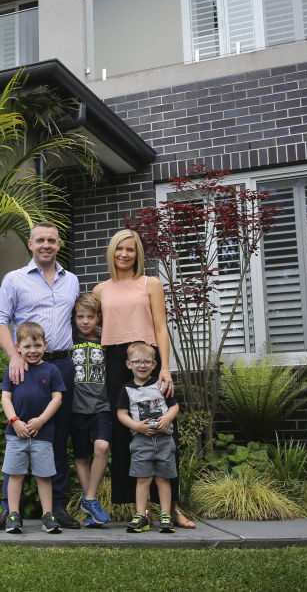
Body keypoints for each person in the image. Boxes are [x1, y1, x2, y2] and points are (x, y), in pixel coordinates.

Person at [93, 228, 195, 529]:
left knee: (163, 432)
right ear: (110, 253)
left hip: (148, 359)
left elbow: (161, 327)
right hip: (115, 362)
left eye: (131, 249)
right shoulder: (100, 290)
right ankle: (143, 509)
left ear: (138, 254)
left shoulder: (150, 283)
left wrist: (165, 367)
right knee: (127, 433)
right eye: (119, 249)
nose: (124, 254)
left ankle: (172, 507)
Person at [0, 221, 81, 530]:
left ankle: (55, 507)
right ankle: (8, 509)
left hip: (62, 366)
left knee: (58, 434)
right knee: (16, 434)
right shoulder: (14, 279)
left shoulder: (72, 281)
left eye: (51, 240)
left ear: (58, 244)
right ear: (30, 244)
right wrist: (14, 355)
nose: (46, 245)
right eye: (40, 240)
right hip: (25, 366)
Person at [0, 321, 66, 534]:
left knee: (44, 476)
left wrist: (41, 420)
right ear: (17, 347)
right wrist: (14, 421)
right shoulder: (13, 370)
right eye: (27, 347)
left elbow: (57, 399)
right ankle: (13, 515)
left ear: (45, 345)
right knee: (15, 474)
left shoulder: (52, 370)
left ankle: (48, 516)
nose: (33, 351)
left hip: (42, 434)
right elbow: (5, 398)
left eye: (37, 346)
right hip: (15, 434)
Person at [117, 341, 179, 533]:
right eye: (137, 362)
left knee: (163, 479)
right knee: (142, 479)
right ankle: (141, 515)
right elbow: (121, 414)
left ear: (154, 364)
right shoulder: (126, 389)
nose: (142, 365)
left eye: (147, 362)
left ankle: (166, 516)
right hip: (141, 441)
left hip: (164, 440)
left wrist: (167, 419)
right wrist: (137, 427)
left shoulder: (161, 385)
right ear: (129, 364)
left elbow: (175, 406)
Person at [69, 293, 111, 527]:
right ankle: (92, 508)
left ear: (98, 318)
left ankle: (90, 498)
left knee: (102, 447)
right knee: (81, 457)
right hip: (76, 409)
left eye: (90, 317)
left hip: (102, 406)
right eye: (80, 316)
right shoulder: (69, 340)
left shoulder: (106, 341)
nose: (85, 321)